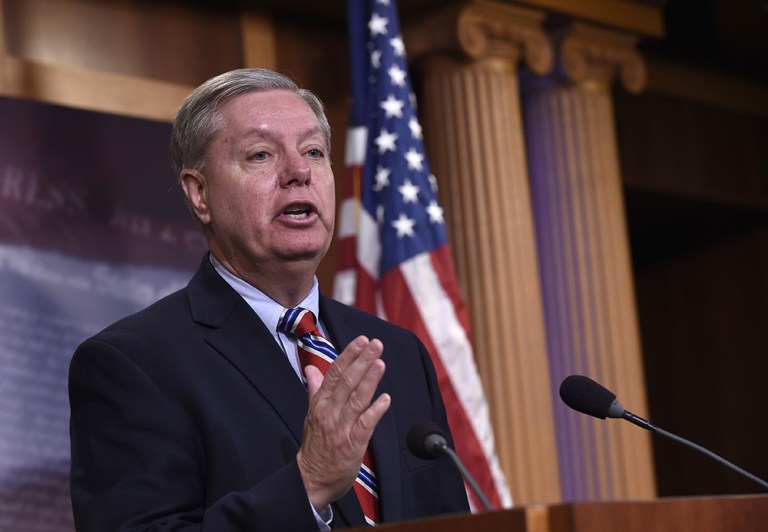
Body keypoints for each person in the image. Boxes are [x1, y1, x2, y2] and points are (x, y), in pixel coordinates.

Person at [68, 67, 470, 531]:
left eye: (314, 152)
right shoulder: (133, 364)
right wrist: (308, 484)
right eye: (261, 155)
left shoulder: (398, 353)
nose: (299, 172)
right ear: (200, 194)